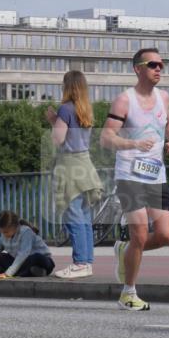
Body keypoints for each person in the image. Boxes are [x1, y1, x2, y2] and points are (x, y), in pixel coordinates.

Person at [100, 48, 169, 311]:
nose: (159, 69)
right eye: (153, 64)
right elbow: (106, 138)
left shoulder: (164, 97)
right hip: (129, 175)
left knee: (166, 235)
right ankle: (128, 293)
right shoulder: (124, 101)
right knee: (141, 233)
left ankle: (125, 250)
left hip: (155, 175)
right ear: (138, 69)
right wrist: (133, 142)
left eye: (162, 65)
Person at [48, 70, 102, 279]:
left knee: (73, 215)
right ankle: (86, 262)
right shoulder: (85, 109)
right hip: (86, 165)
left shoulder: (65, 108)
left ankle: (79, 263)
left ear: (67, 86)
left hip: (70, 167)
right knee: (85, 217)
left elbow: (58, 139)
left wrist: (54, 120)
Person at [0, 210, 54, 278]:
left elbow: (22, 255)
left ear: (15, 227)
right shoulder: (4, 236)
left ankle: (8, 271)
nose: (4, 234)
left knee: (35, 257)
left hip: (42, 261)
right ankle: (30, 272)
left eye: (6, 232)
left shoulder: (26, 232)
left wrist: (7, 274)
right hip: (22, 264)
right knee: (1, 257)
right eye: (2, 232)